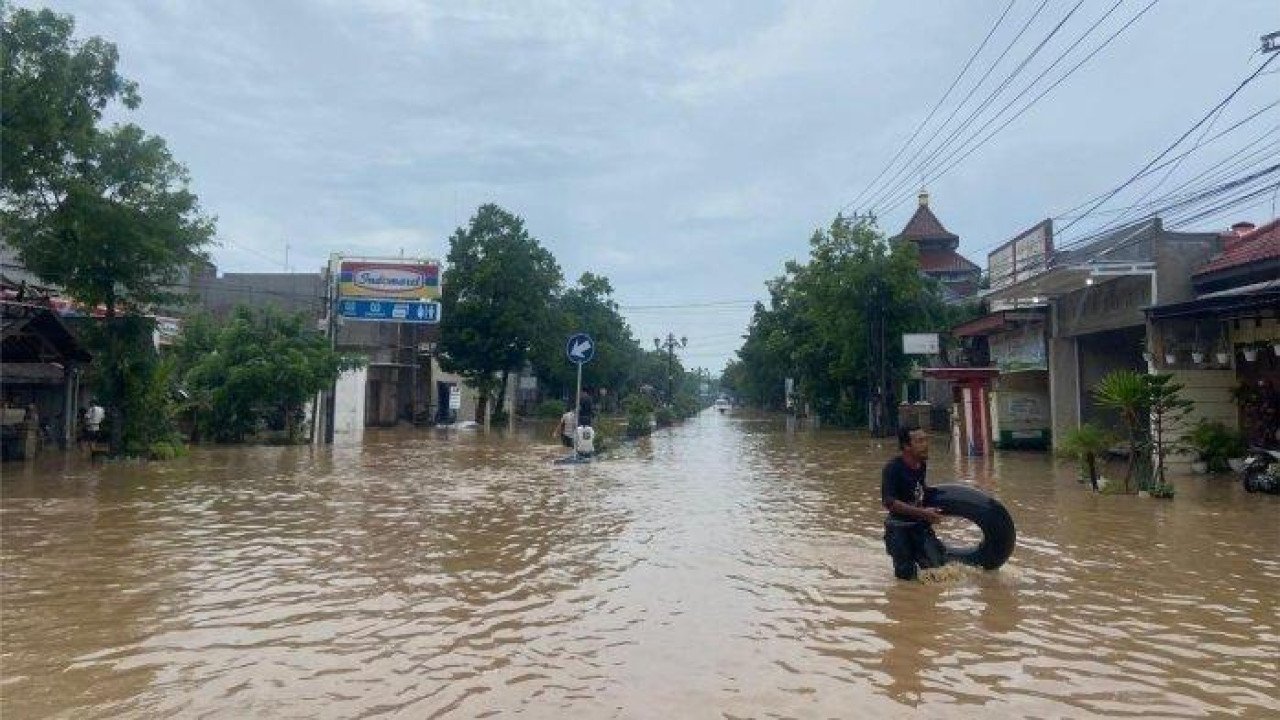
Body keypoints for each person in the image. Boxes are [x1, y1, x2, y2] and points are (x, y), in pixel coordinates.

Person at [881, 425, 947, 581]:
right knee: (906, 579)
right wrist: (924, 513)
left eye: (926, 440)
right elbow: (889, 502)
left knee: (938, 571)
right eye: (920, 441)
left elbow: (919, 490)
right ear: (906, 446)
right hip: (899, 530)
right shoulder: (892, 468)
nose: (926, 444)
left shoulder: (921, 464)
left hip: (920, 526)